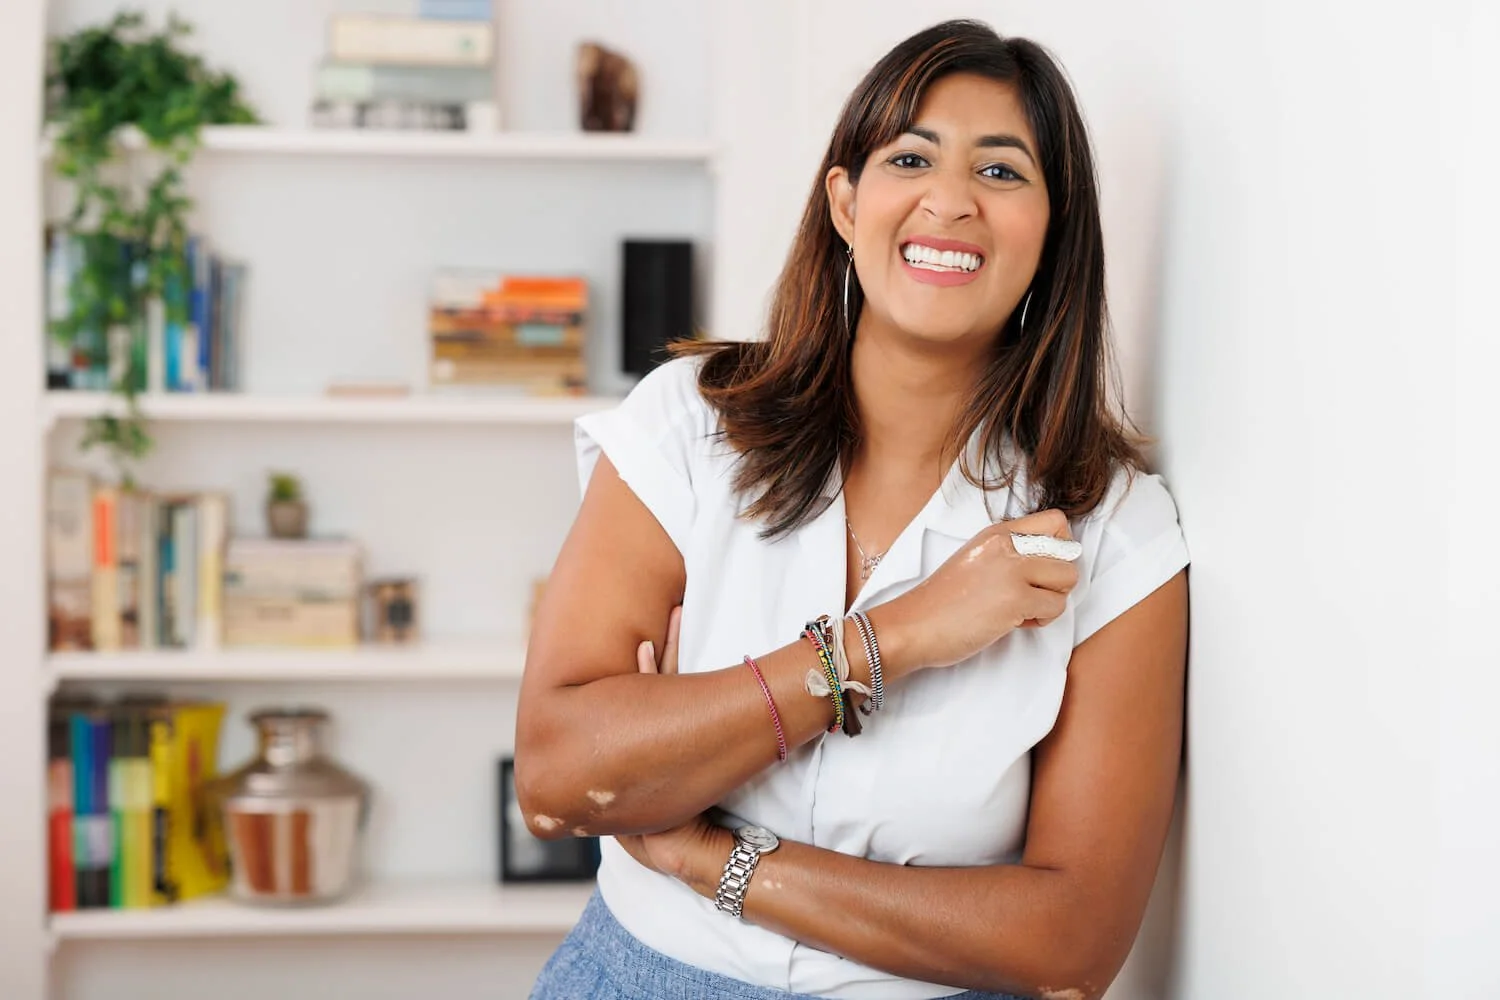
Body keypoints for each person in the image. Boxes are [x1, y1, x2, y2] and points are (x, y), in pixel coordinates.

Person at [517, 18, 1189, 1000]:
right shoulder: (691, 425)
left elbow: (1070, 940)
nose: (950, 201)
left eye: (1002, 174)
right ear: (846, 200)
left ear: (1053, 229)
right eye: (910, 157)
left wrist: (714, 859)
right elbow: (557, 768)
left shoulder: (1115, 529)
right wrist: (889, 640)